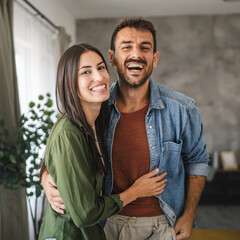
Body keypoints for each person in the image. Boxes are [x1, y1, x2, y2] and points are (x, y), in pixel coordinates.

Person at [42, 18, 210, 240]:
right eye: (127, 46)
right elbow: (61, 148)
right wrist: (45, 176)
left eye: (145, 47)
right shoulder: (95, 105)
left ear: (155, 58)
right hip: (105, 224)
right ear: (112, 57)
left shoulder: (182, 109)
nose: (136, 54)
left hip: (162, 225)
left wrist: (189, 215)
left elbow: (197, 162)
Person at [38, 43, 167, 240]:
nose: (99, 77)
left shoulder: (98, 122)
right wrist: (136, 191)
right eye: (86, 72)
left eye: (100, 67)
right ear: (69, 83)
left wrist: (45, 173)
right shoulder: (68, 132)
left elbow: (56, 162)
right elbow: (85, 214)